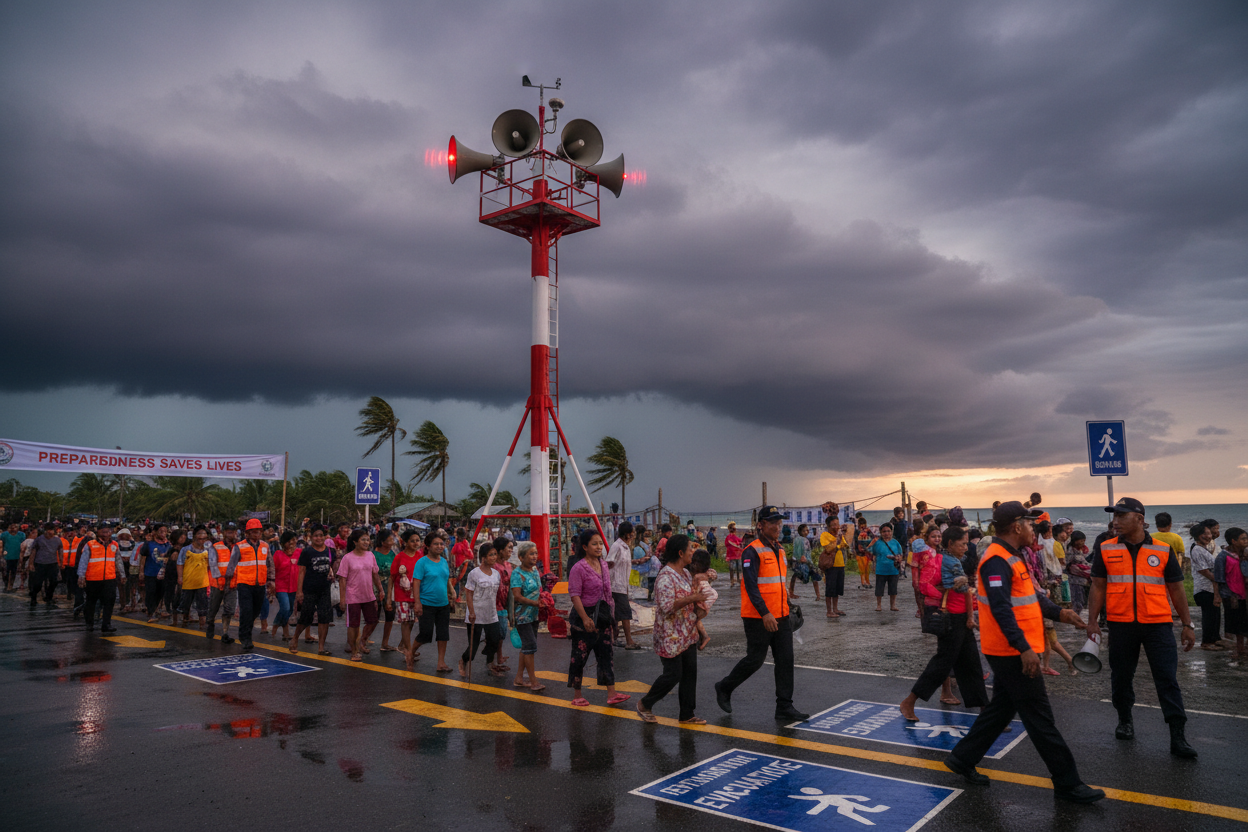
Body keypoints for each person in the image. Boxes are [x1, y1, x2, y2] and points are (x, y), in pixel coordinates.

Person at [944, 501, 1103, 803]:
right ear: (1017, 526)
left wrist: (1059, 613)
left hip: (1015, 649)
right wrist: (1024, 649)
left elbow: (1030, 597)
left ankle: (962, 759)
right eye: (1030, 524)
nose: (1035, 529)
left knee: (1001, 709)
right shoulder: (995, 561)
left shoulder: (1013, 557)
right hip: (1011, 652)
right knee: (1040, 718)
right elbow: (1002, 609)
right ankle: (1068, 783)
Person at [1084, 497, 1197, 758]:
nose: (1116, 521)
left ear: (1139, 519)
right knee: (1121, 677)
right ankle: (1125, 720)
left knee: (1167, 680)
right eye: (1115, 516)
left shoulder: (1162, 550)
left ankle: (1177, 736)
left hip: (1158, 625)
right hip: (1121, 625)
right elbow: (1098, 586)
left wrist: (1187, 624)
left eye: (1121, 516)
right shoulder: (1106, 548)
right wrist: (1092, 622)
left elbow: (1177, 589)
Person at [714, 506, 807, 722]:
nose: (777, 526)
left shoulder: (780, 550)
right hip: (758, 617)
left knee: (786, 660)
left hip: (781, 615)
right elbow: (751, 587)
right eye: (772, 522)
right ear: (760, 525)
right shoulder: (752, 551)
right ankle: (724, 687)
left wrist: (788, 604)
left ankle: (784, 706)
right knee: (755, 660)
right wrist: (765, 613)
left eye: (779, 522)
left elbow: (778, 584)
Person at [900, 526, 987, 719]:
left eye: (966, 543)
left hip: (960, 617)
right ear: (950, 544)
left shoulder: (952, 559)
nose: (966, 547)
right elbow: (962, 589)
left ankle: (984, 709)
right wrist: (972, 613)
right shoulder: (949, 562)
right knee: (942, 664)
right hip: (953, 618)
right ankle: (909, 702)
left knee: (972, 664)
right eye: (962, 544)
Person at [638, 534, 707, 724]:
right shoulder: (665, 577)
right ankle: (645, 703)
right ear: (680, 553)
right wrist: (693, 599)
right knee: (673, 675)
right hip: (670, 636)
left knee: (689, 673)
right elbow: (667, 606)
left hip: (687, 633)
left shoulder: (685, 573)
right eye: (690, 548)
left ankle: (687, 714)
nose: (693, 551)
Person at [567, 528, 630, 707]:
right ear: (585, 547)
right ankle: (577, 694)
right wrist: (585, 618)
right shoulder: (578, 568)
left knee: (606, 654)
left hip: (603, 615)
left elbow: (607, 592)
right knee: (579, 656)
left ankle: (612, 693)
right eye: (594, 544)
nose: (599, 547)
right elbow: (574, 595)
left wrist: (612, 616)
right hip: (584, 616)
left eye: (600, 543)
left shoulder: (603, 564)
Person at [407, 531, 455, 673]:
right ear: (427, 546)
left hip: (443, 604)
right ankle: (411, 651)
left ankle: (441, 662)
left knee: (443, 634)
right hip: (427, 603)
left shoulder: (444, 561)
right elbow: (416, 583)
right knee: (425, 634)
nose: (439, 546)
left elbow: (445, 578)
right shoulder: (422, 562)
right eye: (436, 544)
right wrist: (417, 603)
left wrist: (451, 590)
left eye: (441, 544)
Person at [225, 518, 276, 651]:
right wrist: (229, 584)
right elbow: (231, 566)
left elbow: (270, 564)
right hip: (244, 584)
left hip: (260, 584)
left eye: (258, 532)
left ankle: (246, 629)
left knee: (256, 611)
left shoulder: (265, 546)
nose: (256, 534)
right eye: (253, 532)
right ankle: (245, 637)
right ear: (247, 533)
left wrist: (271, 580)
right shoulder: (239, 546)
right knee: (246, 611)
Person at [289, 524, 336, 656]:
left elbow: (332, 566)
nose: (319, 538)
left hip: (325, 589)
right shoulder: (307, 552)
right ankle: (295, 639)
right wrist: (299, 591)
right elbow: (302, 571)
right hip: (309, 589)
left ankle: (321, 647)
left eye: (321, 535)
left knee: (324, 619)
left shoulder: (330, 551)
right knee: (306, 617)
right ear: (311, 537)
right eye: (316, 535)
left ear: (325, 536)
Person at [337, 529, 382, 662]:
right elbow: (342, 579)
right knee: (354, 625)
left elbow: (375, 574)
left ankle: (362, 641)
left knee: (373, 620)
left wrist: (380, 589)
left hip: (368, 595)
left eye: (368, 540)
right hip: (353, 596)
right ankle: (354, 651)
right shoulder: (347, 558)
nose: (366, 542)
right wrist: (342, 599)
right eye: (363, 539)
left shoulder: (370, 555)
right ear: (355, 542)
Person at [460, 542, 503, 677]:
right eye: (491, 555)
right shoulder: (474, 573)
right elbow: (469, 593)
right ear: (483, 558)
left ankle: (490, 663)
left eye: (495, 554)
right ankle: (464, 660)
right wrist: (471, 612)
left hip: (491, 613)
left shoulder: (496, 574)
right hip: (476, 613)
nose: (494, 557)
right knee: (473, 646)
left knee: (495, 639)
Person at [77, 524, 126, 633]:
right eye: (103, 531)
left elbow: (118, 561)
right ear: (98, 532)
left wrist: (122, 575)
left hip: (109, 578)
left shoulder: (114, 545)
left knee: (109, 601)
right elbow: (83, 561)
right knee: (91, 602)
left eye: (108, 531)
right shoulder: (90, 545)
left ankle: (106, 624)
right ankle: (89, 624)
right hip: (92, 579)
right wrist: (81, 576)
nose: (106, 534)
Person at [509, 541, 544, 691]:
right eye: (531, 554)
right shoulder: (517, 574)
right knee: (530, 646)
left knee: (527, 647)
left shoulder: (535, 571)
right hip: (522, 616)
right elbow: (517, 596)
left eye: (535, 553)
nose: (534, 556)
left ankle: (518, 678)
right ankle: (533, 681)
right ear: (521, 557)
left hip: (534, 615)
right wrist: (534, 603)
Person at [605, 521, 640, 650]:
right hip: (616, 585)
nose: (633, 536)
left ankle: (613, 637)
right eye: (631, 534)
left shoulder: (625, 547)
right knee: (625, 613)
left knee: (617, 614)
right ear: (626, 534)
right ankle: (629, 640)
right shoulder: (617, 546)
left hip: (622, 585)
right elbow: (609, 562)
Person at [1213, 527, 1247, 662]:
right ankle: (1238, 650)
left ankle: (1243, 649)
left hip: (1245, 593)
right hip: (1232, 595)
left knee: (1245, 622)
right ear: (1233, 541)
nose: (1246, 541)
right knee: (1236, 625)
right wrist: (1218, 596)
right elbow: (1218, 579)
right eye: (1243, 539)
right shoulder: (1223, 557)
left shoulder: (1245, 554)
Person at [389, 529, 422, 659]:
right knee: (405, 621)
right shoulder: (399, 557)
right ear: (406, 542)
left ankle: (404, 645)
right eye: (412, 541)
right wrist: (388, 598)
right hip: (401, 595)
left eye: (417, 540)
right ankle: (408, 650)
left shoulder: (420, 556)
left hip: (416, 595)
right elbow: (392, 577)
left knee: (412, 620)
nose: (415, 543)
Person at [1187, 523, 1221, 651]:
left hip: (1210, 589)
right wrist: (1218, 579)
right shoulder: (1197, 549)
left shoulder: (1203, 548)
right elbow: (1204, 571)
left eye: (1209, 534)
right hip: (1204, 589)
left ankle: (1214, 640)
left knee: (1214, 616)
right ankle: (1206, 643)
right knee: (1208, 617)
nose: (1208, 536)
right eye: (1205, 534)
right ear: (1197, 535)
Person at [206, 523, 239, 643]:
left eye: (233, 531)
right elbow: (213, 566)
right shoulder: (216, 547)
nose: (231, 534)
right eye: (229, 531)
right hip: (218, 583)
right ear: (224, 533)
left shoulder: (239, 547)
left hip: (233, 584)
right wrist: (217, 581)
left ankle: (225, 633)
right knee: (213, 608)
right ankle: (210, 623)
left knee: (229, 609)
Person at [174, 525, 212, 628]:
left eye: (204, 538)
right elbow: (180, 563)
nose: (202, 540)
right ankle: (184, 620)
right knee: (185, 603)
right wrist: (180, 577)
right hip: (188, 581)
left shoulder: (208, 550)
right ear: (194, 536)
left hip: (202, 582)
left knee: (203, 605)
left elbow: (210, 565)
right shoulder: (185, 550)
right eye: (200, 537)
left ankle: (202, 625)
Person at [271, 531, 300, 643]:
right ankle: (276, 624)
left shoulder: (299, 553)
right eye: (290, 541)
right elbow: (273, 571)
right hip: (280, 586)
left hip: (294, 586)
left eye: (294, 540)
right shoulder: (278, 554)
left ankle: (285, 631)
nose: (293, 543)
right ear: (284, 543)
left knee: (290, 610)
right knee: (285, 608)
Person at [372, 529, 398, 652]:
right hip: (375, 589)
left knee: (390, 616)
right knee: (373, 618)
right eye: (390, 539)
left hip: (389, 589)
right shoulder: (373, 555)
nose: (392, 541)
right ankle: (363, 640)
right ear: (383, 542)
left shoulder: (392, 554)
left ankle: (385, 643)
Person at [28, 525, 63, 609]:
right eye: (47, 530)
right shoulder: (39, 539)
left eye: (51, 530)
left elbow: (60, 550)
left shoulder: (57, 540)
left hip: (52, 563)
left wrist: (61, 562)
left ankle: (49, 597)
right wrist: (31, 564)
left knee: (54, 582)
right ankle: (33, 597)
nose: (49, 532)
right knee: (38, 584)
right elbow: (33, 552)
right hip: (40, 563)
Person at [689, 548, 718, 650]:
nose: (693, 565)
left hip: (701, 603)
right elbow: (714, 574)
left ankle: (703, 637)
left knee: (692, 619)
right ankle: (703, 637)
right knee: (695, 620)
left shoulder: (698, 576)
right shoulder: (706, 573)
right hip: (705, 602)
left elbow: (696, 591)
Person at [870, 523, 902, 612]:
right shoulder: (877, 543)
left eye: (888, 531)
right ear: (880, 532)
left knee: (893, 589)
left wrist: (898, 558)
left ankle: (893, 605)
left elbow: (900, 554)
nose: (886, 533)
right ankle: (879, 605)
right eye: (884, 531)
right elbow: (873, 554)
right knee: (879, 588)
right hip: (881, 569)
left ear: (891, 532)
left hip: (893, 569)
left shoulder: (895, 543)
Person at [822, 519, 851, 616]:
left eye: (837, 524)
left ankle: (835, 609)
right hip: (831, 565)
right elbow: (828, 548)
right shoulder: (825, 535)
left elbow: (845, 545)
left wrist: (841, 536)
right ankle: (829, 611)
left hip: (840, 564)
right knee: (830, 588)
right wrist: (838, 544)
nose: (836, 526)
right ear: (829, 526)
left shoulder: (839, 535)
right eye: (834, 524)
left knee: (837, 588)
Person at [115, 528, 137, 612]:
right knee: (121, 585)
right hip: (120, 565)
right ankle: (123, 603)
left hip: (130, 565)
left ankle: (130, 603)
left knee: (130, 585)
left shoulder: (132, 544)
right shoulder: (116, 544)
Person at [1, 523, 23, 592]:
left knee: (13, 572)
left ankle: (11, 586)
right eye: (12, 527)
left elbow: (22, 544)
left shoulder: (21, 535)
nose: (13, 529)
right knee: (5, 572)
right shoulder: (4, 535)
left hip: (16, 556)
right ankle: (6, 585)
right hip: (6, 556)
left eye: (15, 527)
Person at [854, 517, 873, 589]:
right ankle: (863, 582)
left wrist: (869, 531)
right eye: (861, 525)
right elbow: (855, 542)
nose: (862, 526)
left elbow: (873, 537)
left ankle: (867, 582)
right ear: (858, 525)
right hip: (859, 553)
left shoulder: (868, 531)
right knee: (861, 569)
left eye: (864, 525)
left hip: (867, 553)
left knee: (867, 569)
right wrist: (855, 550)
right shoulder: (857, 532)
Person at [724, 521, 743, 590]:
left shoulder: (733, 537)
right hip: (733, 555)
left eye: (734, 529)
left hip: (736, 555)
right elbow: (737, 543)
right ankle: (733, 580)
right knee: (733, 568)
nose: (734, 530)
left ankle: (736, 579)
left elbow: (740, 542)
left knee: (737, 568)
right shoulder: (729, 538)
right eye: (733, 529)